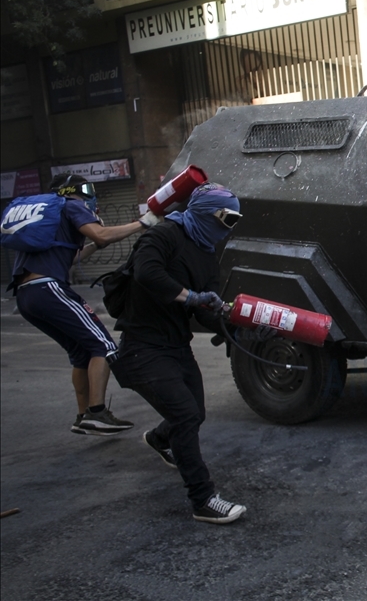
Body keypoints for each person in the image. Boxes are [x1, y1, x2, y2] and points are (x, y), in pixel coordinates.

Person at [109, 182, 248, 524]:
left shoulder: (207, 252)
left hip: (176, 346)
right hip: (143, 347)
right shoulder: (163, 236)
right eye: (225, 218)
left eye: (234, 220)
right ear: (204, 212)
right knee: (185, 416)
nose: (227, 228)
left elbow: (205, 310)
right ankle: (203, 499)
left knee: (194, 413)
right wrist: (190, 297)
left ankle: (159, 440)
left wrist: (237, 323)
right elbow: (147, 273)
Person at [8, 174, 158, 435]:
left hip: (26, 295)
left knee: (81, 353)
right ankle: (97, 413)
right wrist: (143, 223)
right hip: (49, 289)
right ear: (72, 191)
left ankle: (82, 416)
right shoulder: (71, 204)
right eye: (88, 190)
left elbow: (75, 252)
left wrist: (94, 246)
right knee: (104, 345)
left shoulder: (46, 216)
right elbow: (101, 234)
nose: (91, 196)